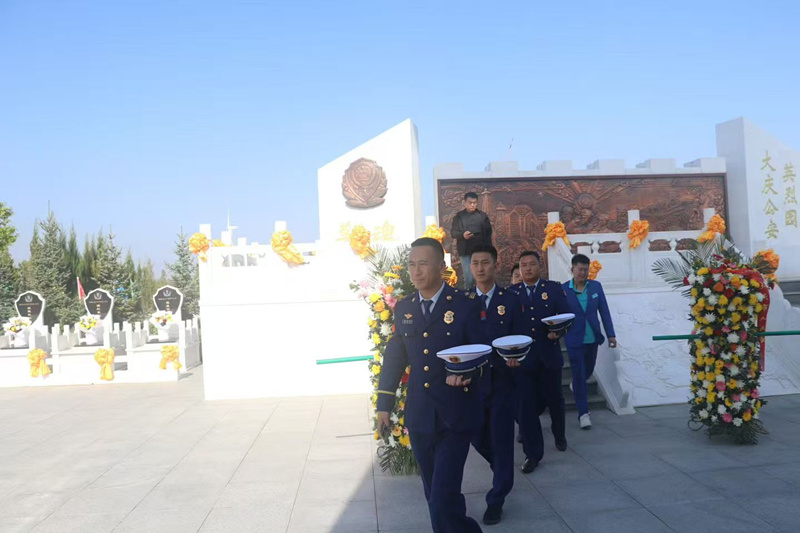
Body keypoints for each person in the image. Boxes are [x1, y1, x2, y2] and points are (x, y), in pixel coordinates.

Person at [376, 237, 485, 533]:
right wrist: (384, 405)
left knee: (441, 498)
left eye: (423, 264)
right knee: (434, 494)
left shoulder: (464, 305)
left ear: (440, 266)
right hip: (420, 415)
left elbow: (482, 352)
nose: (416, 271)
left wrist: (467, 373)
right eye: (412, 264)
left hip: (455, 414)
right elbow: (395, 358)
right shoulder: (405, 308)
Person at [468, 244, 524, 525]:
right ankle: (501, 468)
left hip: (503, 382)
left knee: (502, 442)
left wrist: (517, 358)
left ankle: (497, 499)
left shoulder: (510, 300)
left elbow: (521, 336)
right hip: (473, 384)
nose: (480, 268)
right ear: (470, 267)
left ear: (495, 265)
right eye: (475, 263)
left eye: (485, 262)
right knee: (476, 436)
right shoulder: (463, 302)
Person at [508, 251, 570, 473]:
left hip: (548, 356)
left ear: (539, 266)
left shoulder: (553, 289)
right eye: (523, 265)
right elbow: (507, 326)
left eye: (531, 264)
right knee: (525, 405)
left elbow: (566, 316)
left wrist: (559, 331)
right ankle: (532, 454)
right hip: (523, 361)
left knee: (555, 400)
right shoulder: (512, 293)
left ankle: (559, 434)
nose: (527, 268)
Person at [562, 254, 617, 430]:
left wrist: (611, 335)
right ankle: (584, 414)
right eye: (580, 270)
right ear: (572, 269)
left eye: (586, 270)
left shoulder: (595, 287)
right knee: (579, 374)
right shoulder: (564, 290)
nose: (583, 273)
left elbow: (604, 311)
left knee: (589, 370)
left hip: (592, 338)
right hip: (573, 339)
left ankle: (576, 386)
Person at [451, 192, 493, 289]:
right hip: (465, 252)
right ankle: (469, 296)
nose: (472, 205)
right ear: (465, 203)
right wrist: (463, 235)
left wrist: (489, 251)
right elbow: (453, 232)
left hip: (481, 252)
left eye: (475, 203)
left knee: (482, 278)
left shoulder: (482, 216)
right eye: (470, 203)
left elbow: (488, 234)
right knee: (469, 279)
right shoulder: (459, 217)